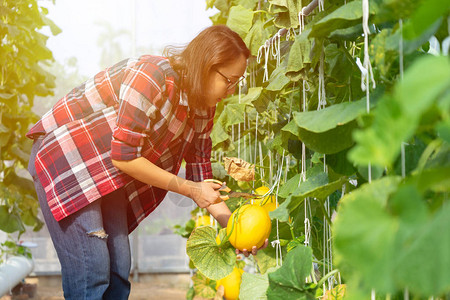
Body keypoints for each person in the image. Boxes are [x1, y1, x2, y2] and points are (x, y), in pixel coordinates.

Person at [26, 25, 268, 299]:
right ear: (208, 65)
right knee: (91, 272)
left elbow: (202, 178)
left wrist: (236, 231)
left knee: (118, 270)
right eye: (230, 80)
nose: (232, 90)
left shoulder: (203, 108)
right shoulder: (152, 76)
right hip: (67, 160)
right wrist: (189, 189)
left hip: (106, 174)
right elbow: (124, 156)